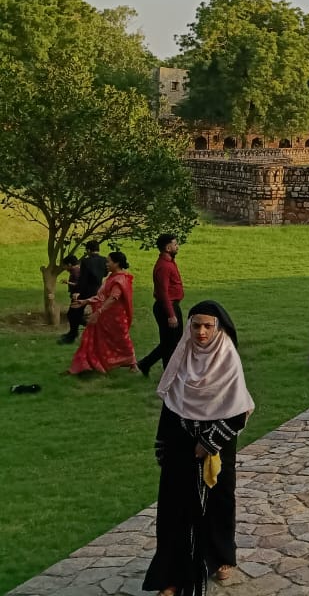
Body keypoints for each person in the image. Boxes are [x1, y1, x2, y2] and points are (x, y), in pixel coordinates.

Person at [143, 301, 255, 595]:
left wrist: (207, 444)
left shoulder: (227, 356)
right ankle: (170, 576)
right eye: (196, 325)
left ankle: (220, 557)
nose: (201, 332)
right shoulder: (182, 355)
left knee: (219, 502)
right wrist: (164, 445)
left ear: (218, 328)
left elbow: (237, 408)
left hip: (218, 445)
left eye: (208, 326)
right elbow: (171, 403)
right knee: (173, 509)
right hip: (180, 442)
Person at [68, 251, 138, 374]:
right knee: (99, 340)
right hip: (105, 317)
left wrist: (99, 311)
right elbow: (101, 297)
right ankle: (94, 363)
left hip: (116, 318)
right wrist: (85, 301)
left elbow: (113, 298)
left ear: (116, 263)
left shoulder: (120, 279)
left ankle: (132, 363)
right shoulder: (111, 278)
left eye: (109, 261)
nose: (106, 264)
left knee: (122, 340)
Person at [139, 234, 185, 377]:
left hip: (169, 305)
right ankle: (148, 364)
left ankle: (159, 369)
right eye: (175, 244)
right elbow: (163, 292)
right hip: (167, 307)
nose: (177, 247)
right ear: (167, 247)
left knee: (170, 342)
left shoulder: (168, 262)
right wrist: (171, 314)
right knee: (170, 343)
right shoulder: (164, 266)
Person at [62, 240, 106, 344]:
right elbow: (104, 273)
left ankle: (73, 334)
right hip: (98, 289)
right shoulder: (104, 260)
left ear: (88, 250)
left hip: (86, 290)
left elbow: (83, 279)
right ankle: (90, 330)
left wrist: (78, 292)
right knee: (93, 313)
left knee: (73, 313)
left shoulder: (86, 261)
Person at [57, 254, 80, 344]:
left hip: (77, 297)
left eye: (65, 265)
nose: (64, 268)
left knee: (72, 315)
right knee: (72, 315)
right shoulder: (76, 270)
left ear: (70, 264)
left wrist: (68, 282)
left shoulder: (75, 271)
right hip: (75, 296)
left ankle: (74, 333)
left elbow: (78, 284)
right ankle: (73, 332)